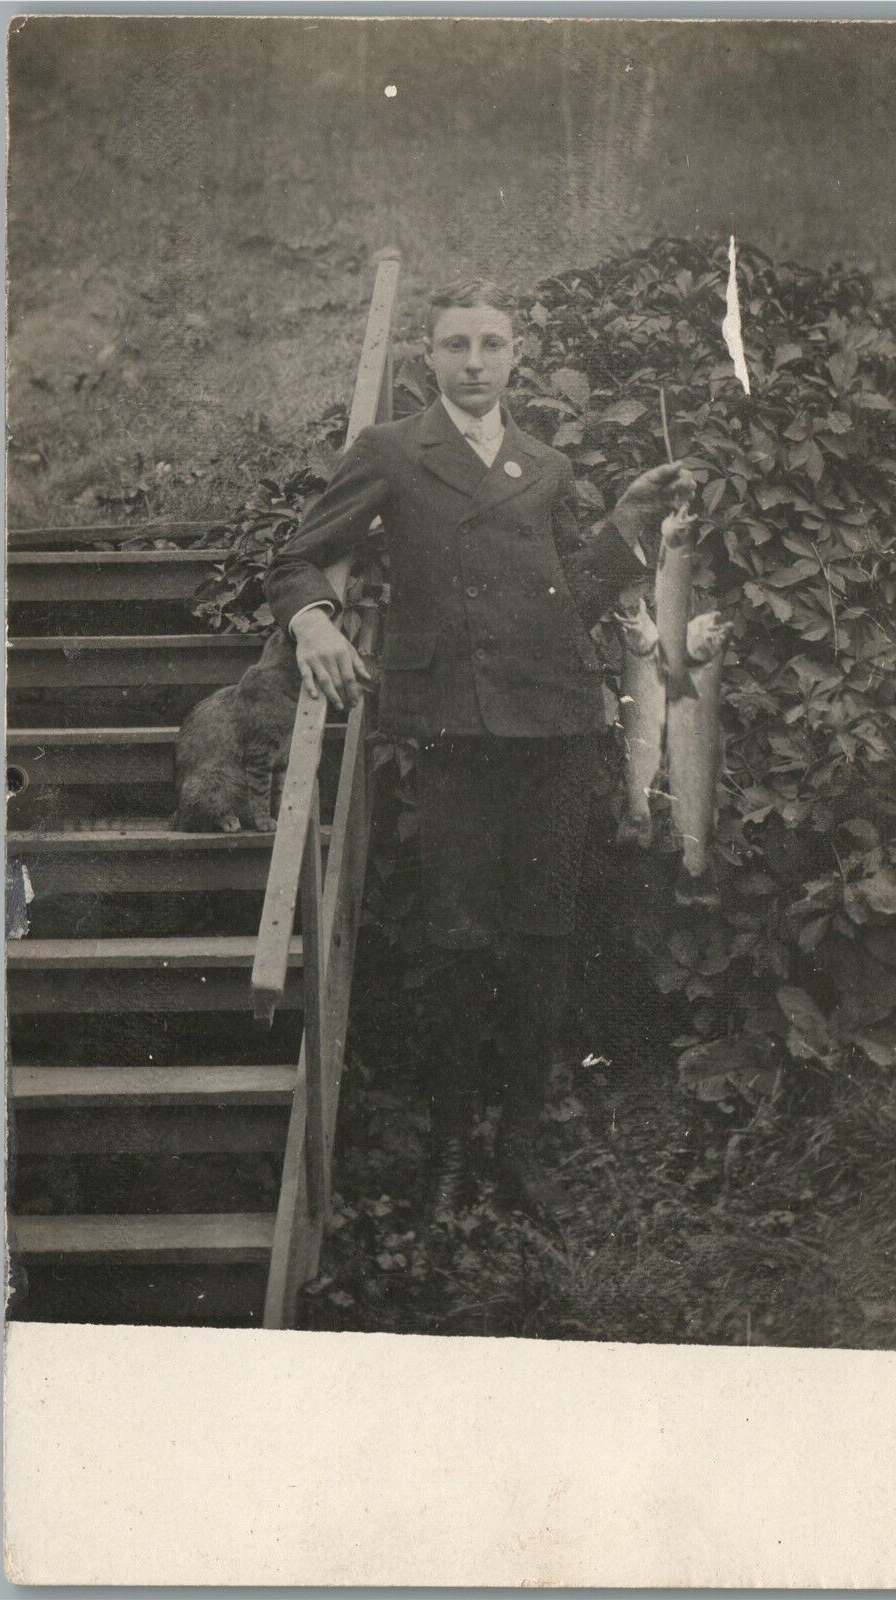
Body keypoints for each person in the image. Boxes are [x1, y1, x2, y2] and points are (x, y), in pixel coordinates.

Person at [266, 279, 693, 1221]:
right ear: (428, 357)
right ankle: (451, 1149)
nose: (474, 362)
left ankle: (521, 1147)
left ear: (516, 356)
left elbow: (573, 595)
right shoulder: (392, 450)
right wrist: (313, 621)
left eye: (491, 344)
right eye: (456, 345)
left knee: (544, 938)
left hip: (556, 729)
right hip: (454, 731)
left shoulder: (546, 464)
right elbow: (296, 555)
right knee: (456, 945)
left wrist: (625, 523)